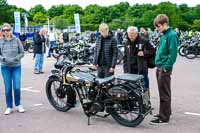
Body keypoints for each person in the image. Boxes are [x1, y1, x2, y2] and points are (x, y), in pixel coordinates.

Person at [150, 14, 178, 125]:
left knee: (165, 93)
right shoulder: (164, 34)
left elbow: (173, 54)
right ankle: (164, 113)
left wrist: (166, 67)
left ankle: (164, 117)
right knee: (162, 92)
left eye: (158, 26)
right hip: (160, 66)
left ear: (165, 24)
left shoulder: (171, 35)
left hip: (164, 68)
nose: (157, 29)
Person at [0, 23, 25, 115]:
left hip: (16, 67)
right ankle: (9, 106)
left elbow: (22, 52)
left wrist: (16, 58)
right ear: (2, 32)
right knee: (8, 88)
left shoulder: (17, 40)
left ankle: (18, 105)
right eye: (4, 30)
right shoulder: (1, 41)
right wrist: (3, 59)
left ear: (11, 30)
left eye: (7, 30)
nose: (6, 32)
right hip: (5, 67)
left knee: (17, 87)